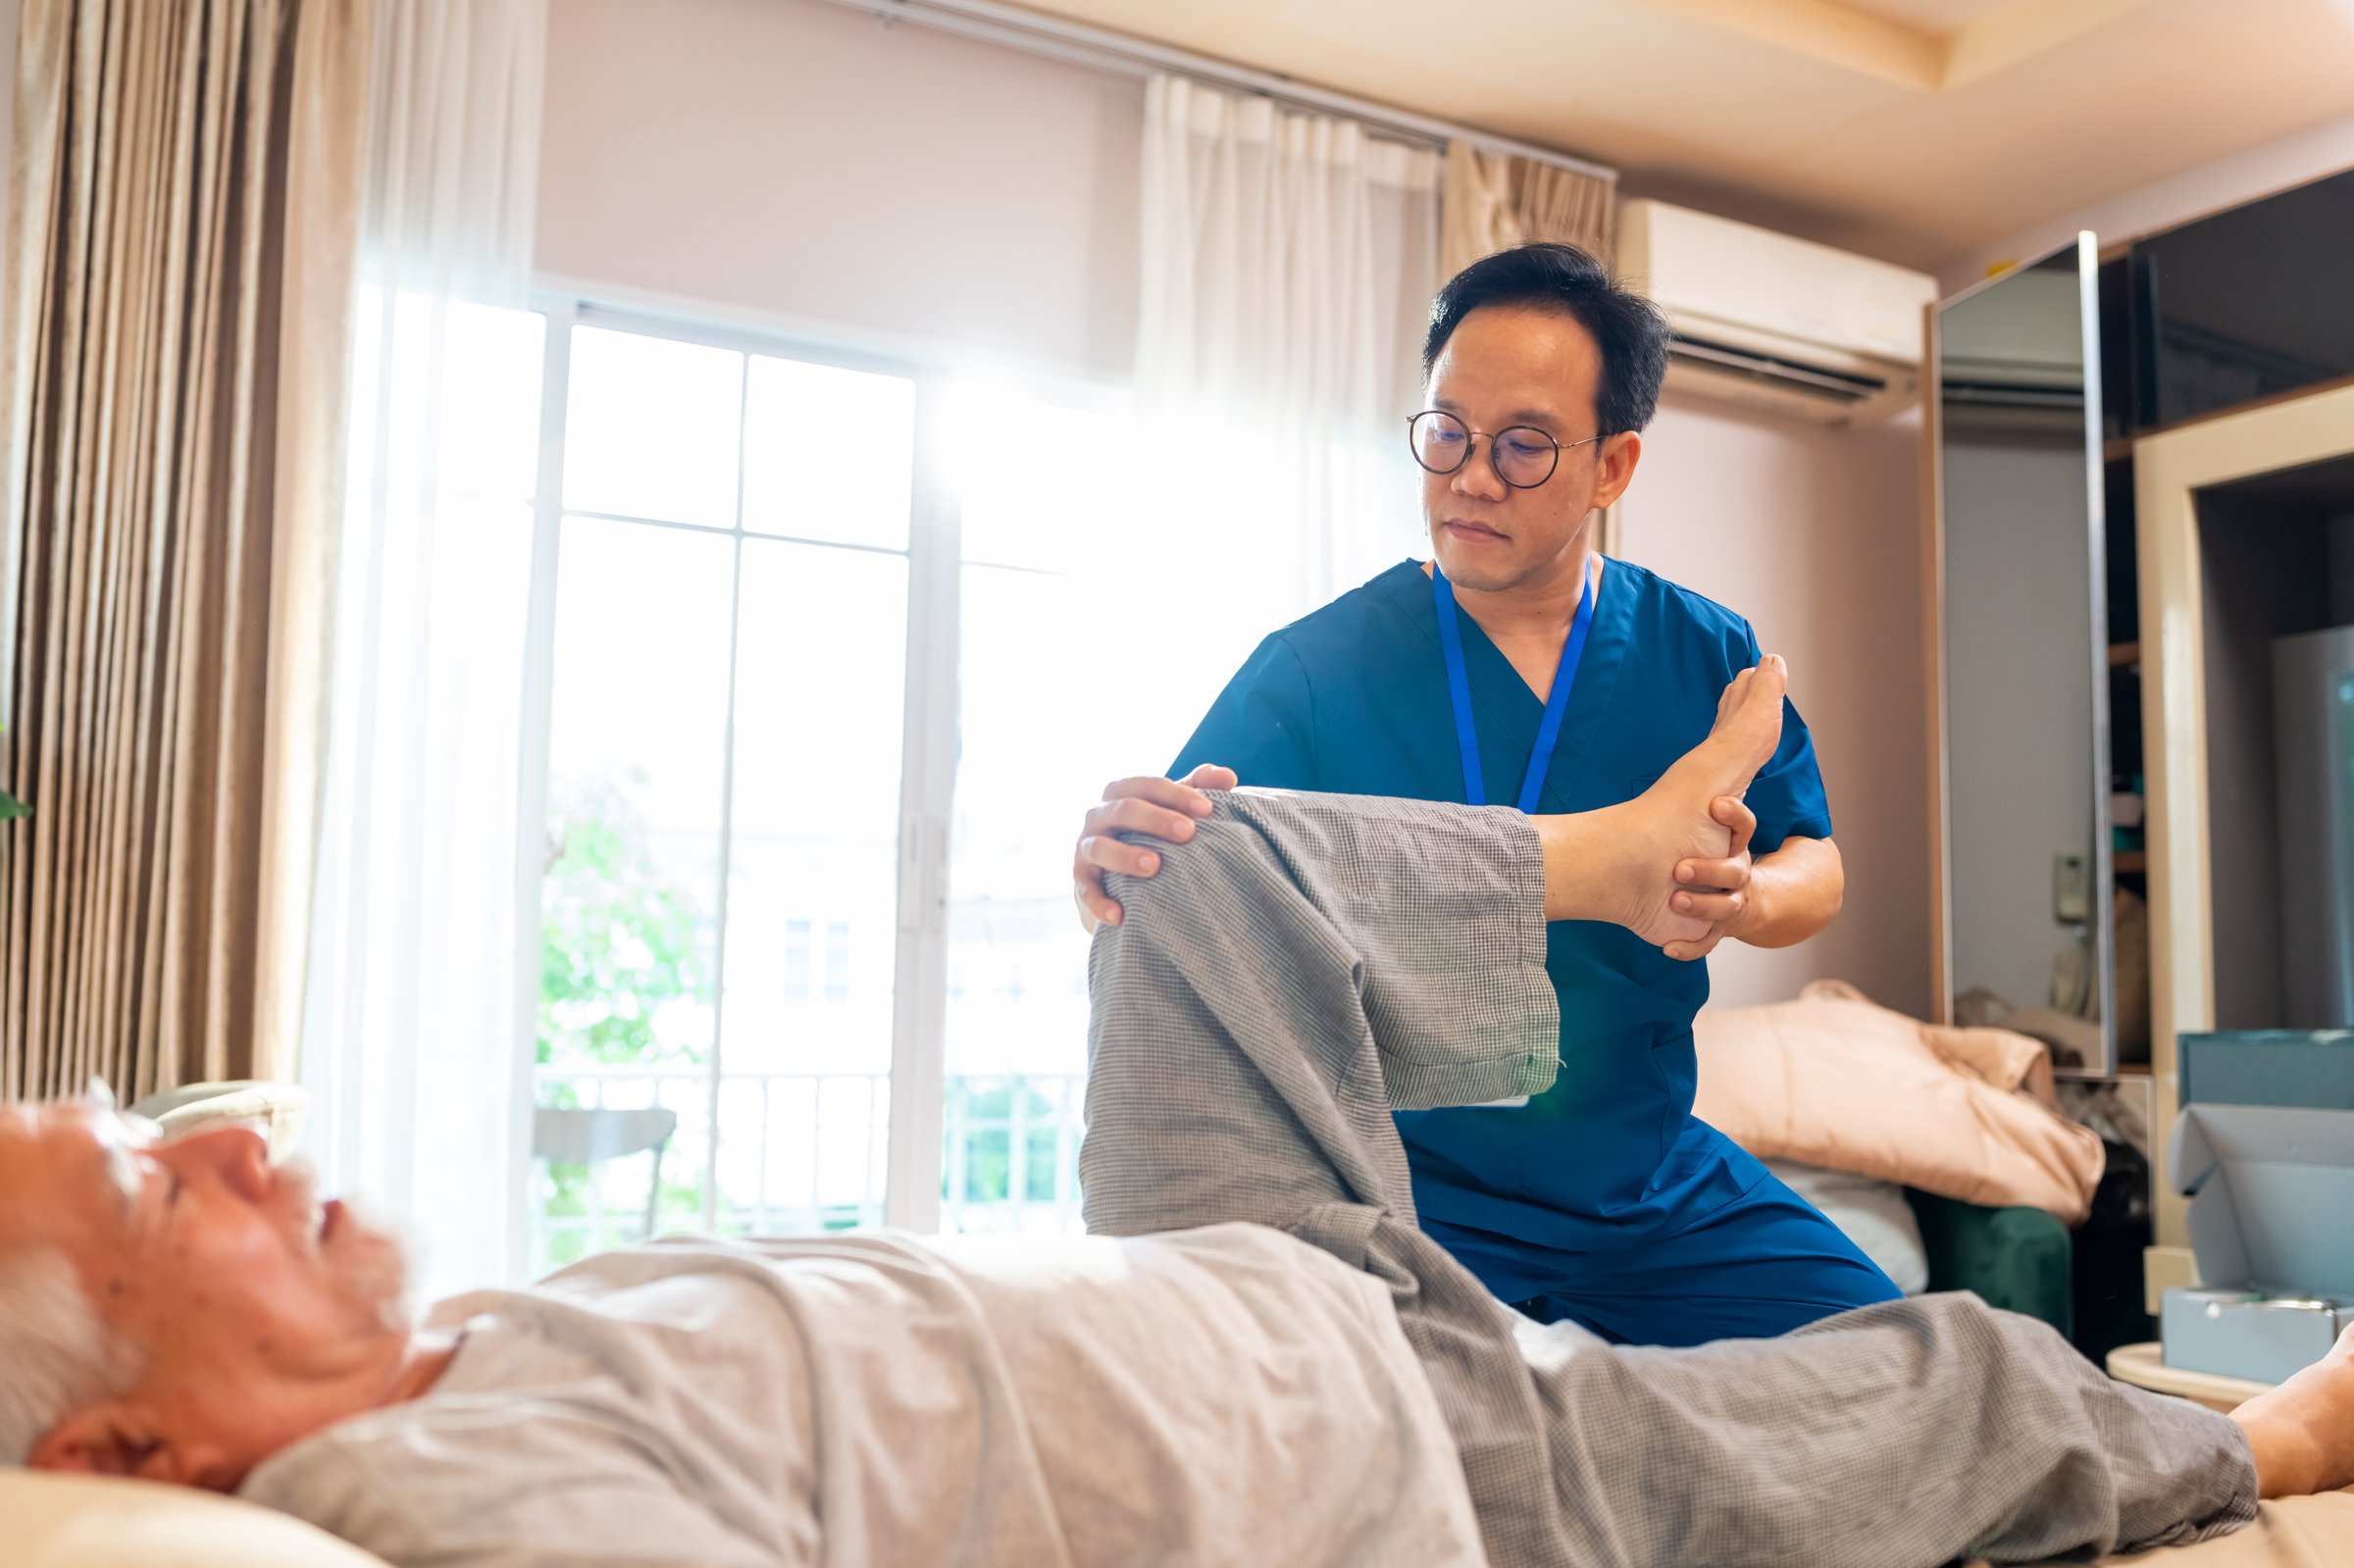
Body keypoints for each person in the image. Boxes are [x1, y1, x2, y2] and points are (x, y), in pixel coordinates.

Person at [5, 663, 2352, 1568]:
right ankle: (2242, 1454)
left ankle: (1616, 859)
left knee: (1192, 843)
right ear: (120, 1454)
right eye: (143, 1184)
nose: (221, 1134)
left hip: (1243, 1267)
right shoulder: (433, 1490)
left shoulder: (487, 1342)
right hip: (1403, 1458)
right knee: (1914, 1378)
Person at [1072, 240, 1895, 1345]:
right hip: (1411, 1192)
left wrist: (1741, 897)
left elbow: (1819, 867)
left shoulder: (1702, 652)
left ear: (1613, 467)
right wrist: (1110, 865)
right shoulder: (1319, 667)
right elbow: (1182, 888)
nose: (1469, 475)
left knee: (1890, 1365)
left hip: (1643, 1185)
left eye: (1522, 445)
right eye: (1447, 432)